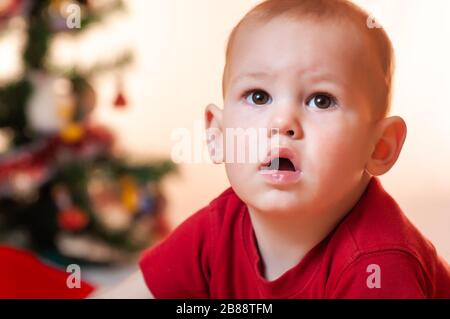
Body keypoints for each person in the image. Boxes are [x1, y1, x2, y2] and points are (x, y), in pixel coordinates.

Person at [95, 0, 450, 298]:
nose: (282, 122)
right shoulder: (220, 228)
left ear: (380, 147)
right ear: (218, 135)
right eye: (258, 96)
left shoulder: (378, 264)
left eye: (321, 100)